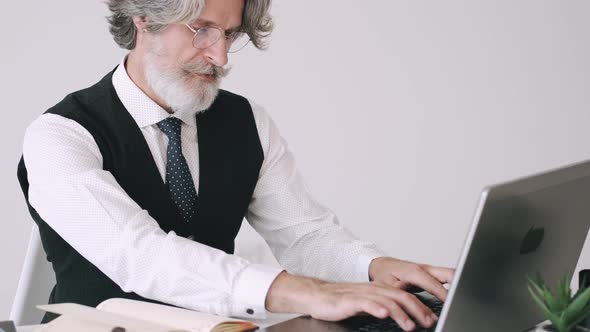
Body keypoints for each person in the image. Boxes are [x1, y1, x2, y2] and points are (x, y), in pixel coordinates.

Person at [17, 0, 454, 330]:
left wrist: (374, 269)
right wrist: (304, 291)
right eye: (202, 30)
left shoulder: (248, 121)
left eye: (229, 35)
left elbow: (304, 236)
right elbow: (142, 255)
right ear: (145, 20)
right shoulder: (60, 135)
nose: (221, 56)